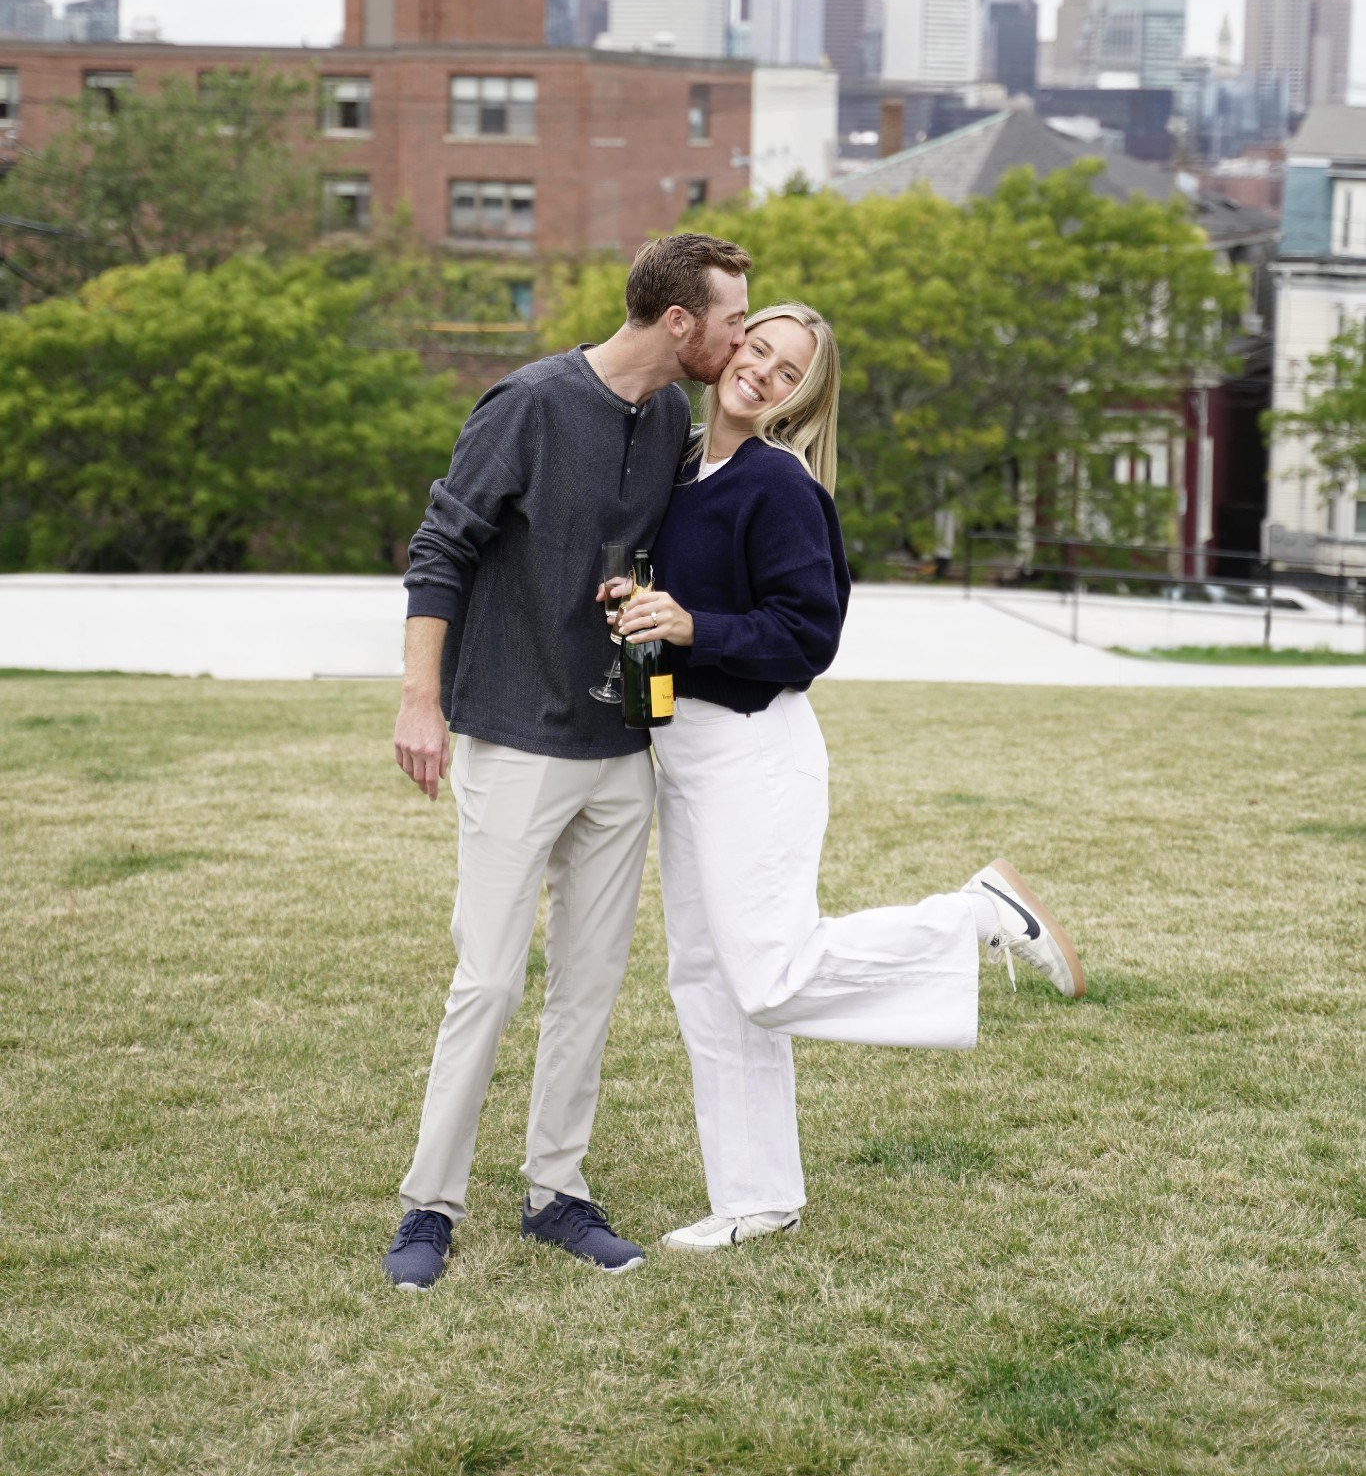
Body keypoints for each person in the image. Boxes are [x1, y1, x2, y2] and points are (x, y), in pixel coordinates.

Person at [614, 301, 1085, 1252]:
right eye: (758, 349)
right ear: (728, 347)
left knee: (770, 975)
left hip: (757, 750)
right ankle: (756, 1198)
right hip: (687, 750)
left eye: (788, 372)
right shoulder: (682, 466)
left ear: (799, 400)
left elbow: (807, 637)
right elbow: (691, 592)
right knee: (705, 978)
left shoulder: (778, 485)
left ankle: (977, 915)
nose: (762, 373)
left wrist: (694, 627)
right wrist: (640, 601)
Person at [382, 232, 752, 1289]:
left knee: (588, 983)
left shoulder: (673, 412)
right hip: (514, 734)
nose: (737, 336)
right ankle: (428, 1206)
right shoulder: (531, 403)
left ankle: (555, 1189)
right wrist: (422, 701)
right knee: (489, 980)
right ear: (679, 321)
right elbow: (439, 546)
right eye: (730, 318)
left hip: (621, 740)